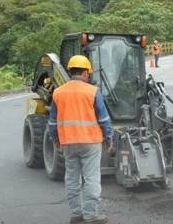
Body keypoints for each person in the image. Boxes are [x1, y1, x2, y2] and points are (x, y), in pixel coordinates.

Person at [48, 55, 112, 224]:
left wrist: (56, 140)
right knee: (91, 178)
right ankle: (91, 215)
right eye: (88, 73)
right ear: (84, 73)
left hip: (68, 142)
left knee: (72, 178)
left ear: (70, 72)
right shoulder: (92, 91)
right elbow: (104, 119)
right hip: (90, 142)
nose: (89, 76)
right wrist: (109, 138)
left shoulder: (58, 92)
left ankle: (76, 213)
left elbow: (52, 122)